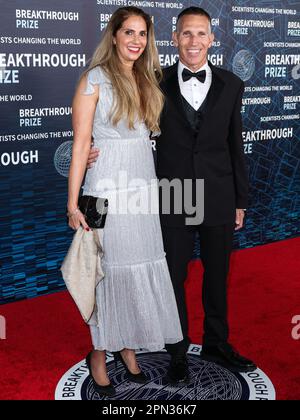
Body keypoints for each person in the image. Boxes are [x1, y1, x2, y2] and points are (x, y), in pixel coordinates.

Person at [88, 6, 257, 384]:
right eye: (186, 34)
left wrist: (240, 200)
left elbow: (235, 144)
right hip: (172, 195)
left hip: (217, 194)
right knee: (172, 278)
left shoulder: (232, 84)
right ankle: (176, 350)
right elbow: (117, 121)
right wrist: (90, 149)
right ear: (175, 38)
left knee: (218, 276)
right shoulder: (151, 81)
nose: (193, 41)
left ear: (213, 39)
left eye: (201, 34)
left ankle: (217, 343)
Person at [67, 6, 182, 396]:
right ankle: (99, 353)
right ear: (113, 35)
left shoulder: (148, 80)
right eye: (128, 32)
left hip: (143, 190)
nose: (136, 40)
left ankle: (128, 349)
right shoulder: (94, 79)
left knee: (138, 268)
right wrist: (72, 203)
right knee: (108, 272)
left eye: (142, 34)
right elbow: (82, 145)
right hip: (105, 190)